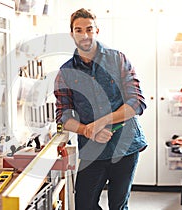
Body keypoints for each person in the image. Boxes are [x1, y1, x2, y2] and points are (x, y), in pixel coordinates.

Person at [54, 8, 147, 210]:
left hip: (125, 145)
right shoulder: (65, 72)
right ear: (72, 34)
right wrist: (87, 130)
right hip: (92, 149)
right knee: (84, 205)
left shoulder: (118, 59)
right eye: (79, 30)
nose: (85, 35)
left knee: (118, 206)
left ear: (97, 30)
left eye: (89, 29)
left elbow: (136, 102)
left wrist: (100, 122)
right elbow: (63, 116)